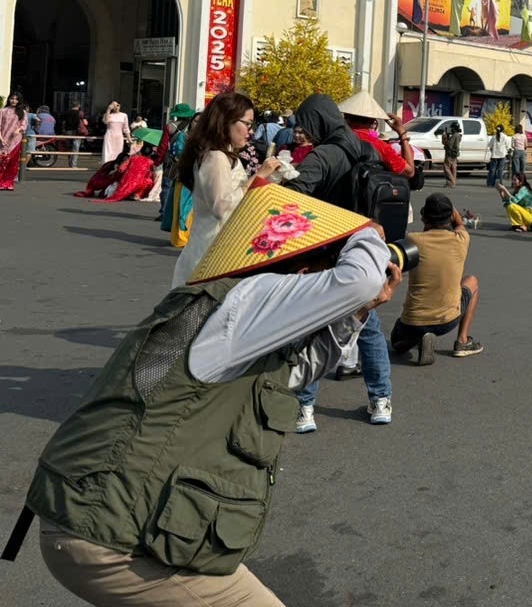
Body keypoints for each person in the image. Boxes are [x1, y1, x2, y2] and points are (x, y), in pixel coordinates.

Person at [13, 181, 398, 606]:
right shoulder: (245, 302)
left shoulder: (239, 317)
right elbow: (358, 279)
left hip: (99, 520)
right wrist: (367, 234)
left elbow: (297, 372)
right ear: (303, 273)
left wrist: (359, 312)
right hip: (111, 537)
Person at [283, 94, 394, 430]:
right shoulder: (367, 149)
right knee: (369, 328)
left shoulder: (323, 155)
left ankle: (304, 408)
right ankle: (381, 401)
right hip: (366, 249)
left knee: (312, 327)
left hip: (326, 251)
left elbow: (294, 197)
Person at [171, 93, 280, 290]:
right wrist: (258, 176)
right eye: (247, 124)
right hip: (211, 254)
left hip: (215, 249)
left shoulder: (223, 155)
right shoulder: (216, 157)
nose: (250, 131)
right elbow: (221, 207)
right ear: (227, 121)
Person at [390, 194, 482, 365]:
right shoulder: (461, 239)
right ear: (450, 217)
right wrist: (452, 211)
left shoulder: (412, 240)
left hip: (413, 321)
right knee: (472, 281)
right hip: (447, 321)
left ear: (425, 217)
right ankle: (462, 341)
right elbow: (460, 223)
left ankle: (417, 338)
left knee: (396, 344)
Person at [337, 90, 416, 183]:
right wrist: (402, 133)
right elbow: (409, 172)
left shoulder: (334, 137)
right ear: (372, 121)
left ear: (346, 116)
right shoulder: (379, 146)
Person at [158, 104, 196, 239]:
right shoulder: (193, 126)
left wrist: (158, 160)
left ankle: (164, 211)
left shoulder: (170, 126)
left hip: (171, 161)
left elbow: (163, 145)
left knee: (167, 185)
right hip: (188, 161)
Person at [0, 92, 25, 191]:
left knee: (13, 163)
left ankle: (9, 183)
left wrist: (18, 130)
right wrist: (1, 138)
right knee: (2, 162)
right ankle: (1, 182)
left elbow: (23, 125)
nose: (14, 101)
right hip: (3, 140)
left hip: (15, 141)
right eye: (12, 98)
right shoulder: (3, 111)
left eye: (16, 99)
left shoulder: (22, 112)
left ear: (19, 101)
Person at [58, 101, 88, 168]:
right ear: (79, 106)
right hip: (77, 132)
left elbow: (60, 121)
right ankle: (73, 165)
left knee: (69, 148)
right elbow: (85, 123)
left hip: (68, 132)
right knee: (75, 148)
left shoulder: (66, 113)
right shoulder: (80, 113)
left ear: (71, 106)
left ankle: (70, 163)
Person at [441, 121, 461, 187]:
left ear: (454, 128)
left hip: (450, 154)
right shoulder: (458, 135)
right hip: (454, 154)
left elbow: (449, 145)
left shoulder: (455, 135)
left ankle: (452, 181)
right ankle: (451, 182)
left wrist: (445, 138)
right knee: (453, 168)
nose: (451, 129)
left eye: (452, 128)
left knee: (446, 168)